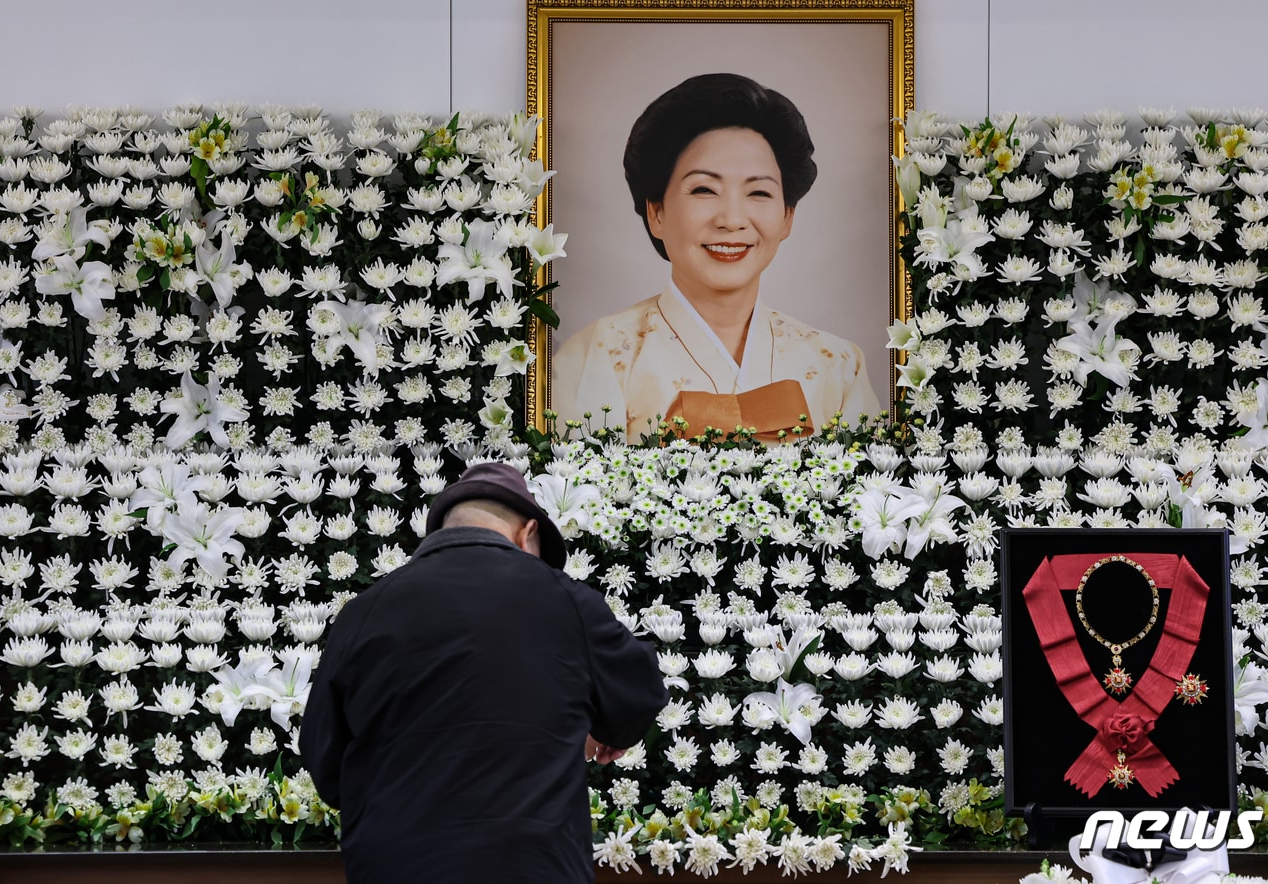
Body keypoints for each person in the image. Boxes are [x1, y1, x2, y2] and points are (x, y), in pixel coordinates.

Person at [300, 461, 668, 882]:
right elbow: (640, 691)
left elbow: (324, 758)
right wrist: (610, 733)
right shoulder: (565, 599)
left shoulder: (364, 611)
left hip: (400, 866)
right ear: (527, 532)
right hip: (531, 866)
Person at [552, 72, 880, 442]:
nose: (732, 220)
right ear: (656, 212)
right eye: (705, 189)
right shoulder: (598, 357)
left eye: (758, 193)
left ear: (787, 216)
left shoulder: (838, 367)